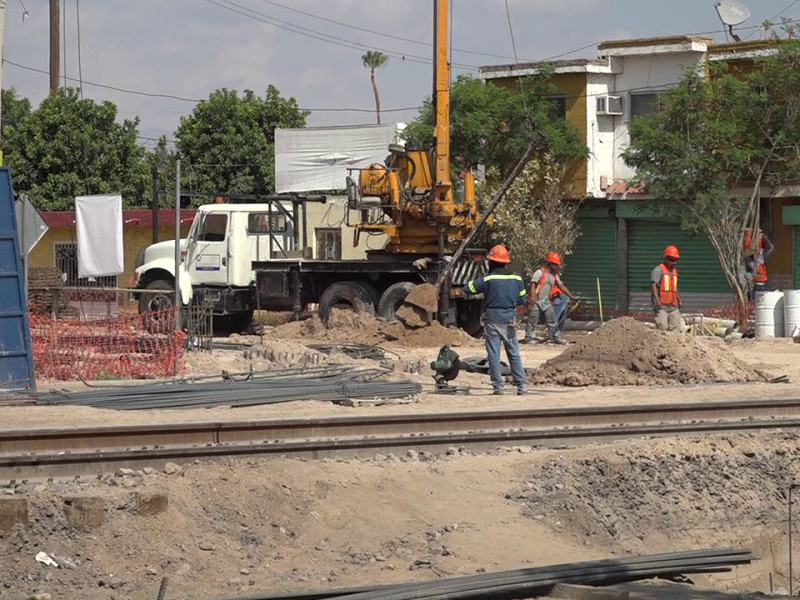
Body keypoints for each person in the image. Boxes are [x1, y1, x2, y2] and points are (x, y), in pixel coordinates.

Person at [463, 244, 528, 396]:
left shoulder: (489, 279)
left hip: (493, 319)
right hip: (510, 319)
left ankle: (498, 387)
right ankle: (522, 386)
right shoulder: (517, 278)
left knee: (494, 354)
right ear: (506, 261)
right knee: (514, 353)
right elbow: (522, 298)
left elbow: (468, 288)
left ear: (491, 262)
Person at [522, 252, 576, 345]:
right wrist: (533, 297)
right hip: (536, 300)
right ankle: (528, 338)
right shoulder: (539, 272)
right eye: (555, 264)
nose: (556, 266)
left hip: (546, 301)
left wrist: (571, 296)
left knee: (551, 320)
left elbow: (561, 286)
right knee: (532, 320)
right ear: (550, 263)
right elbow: (533, 283)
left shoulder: (554, 276)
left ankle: (555, 337)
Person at [651, 245, 681, 332]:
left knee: (676, 328)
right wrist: (657, 301)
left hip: (673, 305)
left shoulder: (674, 271)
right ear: (666, 259)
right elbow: (653, 285)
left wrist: (679, 299)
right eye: (672, 260)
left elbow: (675, 287)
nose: (674, 262)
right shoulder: (658, 270)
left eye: (676, 260)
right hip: (662, 305)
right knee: (662, 328)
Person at [744, 229, 774, 301]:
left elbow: (771, 248)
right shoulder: (750, 260)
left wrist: (766, 239)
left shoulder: (762, 258)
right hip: (754, 285)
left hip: (762, 284)